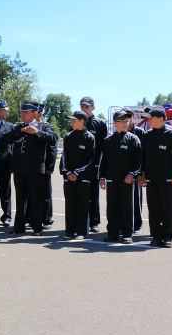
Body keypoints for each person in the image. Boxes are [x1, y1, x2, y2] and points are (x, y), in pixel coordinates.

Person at [2, 101, 58, 236]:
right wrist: (19, 131)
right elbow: (5, 139)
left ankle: (37, 228)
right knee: (20, 199)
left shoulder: (43, 126)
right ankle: (18, 227)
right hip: (19, 169)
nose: (22, 115)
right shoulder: (18, 127)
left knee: (36, 199)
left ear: (34, 113)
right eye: (21, 112)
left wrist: (37, 132)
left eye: (25, 112)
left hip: (35, 170)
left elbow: (53, 139)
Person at [138, 106, 172, 248]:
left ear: (161, 119)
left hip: (168, 180)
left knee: (167, 209)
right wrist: (142, 174)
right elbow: (143, 158)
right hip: (151, 179)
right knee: (154, 209)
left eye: (151, 118)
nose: (149, 121)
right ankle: (156, 236)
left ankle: (168, 236)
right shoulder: (147, 136)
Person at [98, 110, 141, 244]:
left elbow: (139, 161)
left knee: (127, 207)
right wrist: (102, 177)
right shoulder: (107, 140)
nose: (124, 123)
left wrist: (131, 174)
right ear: (115, 123)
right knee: (112, 207)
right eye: (121, 121)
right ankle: (113, 233)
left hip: (127, 181)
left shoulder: (133, 139)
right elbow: (103, 160)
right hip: (112, 179)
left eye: (126, 121)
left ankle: (127, 234)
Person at [60, 111, 95, 239]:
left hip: (83, 178)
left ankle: (81, 232)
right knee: (70, 204)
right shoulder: (69, 136)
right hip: (69, 177)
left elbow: (89, 159)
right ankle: (69, 231)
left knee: (82, 205)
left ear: (82, 121)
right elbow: (64, 156)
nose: (71, 123)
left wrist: (76, 172)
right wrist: (68, 172)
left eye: (74, 120)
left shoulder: (90, 138)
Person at [79, 96, 108, 232]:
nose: (84, 109)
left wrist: (102, 167)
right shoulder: (77, 121)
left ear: (93, 108)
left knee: (94, 195)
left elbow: (105, 146)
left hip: (95, 165)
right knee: (81, 194)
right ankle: (81, 220)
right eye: (82, 106)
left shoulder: (100, 123)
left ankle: (94, 222)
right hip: (80, 166)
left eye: (86, 106)